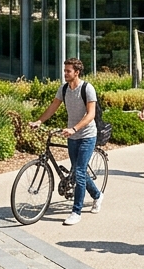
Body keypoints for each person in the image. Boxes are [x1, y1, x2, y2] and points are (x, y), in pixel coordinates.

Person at [30, 58, 103, 226]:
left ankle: (76, 211)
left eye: (68, 71)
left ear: (76, 72)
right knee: (80, 171)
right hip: (73, 137)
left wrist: (75, 129)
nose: (65, 73)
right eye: (65, 70)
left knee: (78, 171)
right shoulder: (63, 89)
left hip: (87, 135)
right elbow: (52, 107)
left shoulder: (87, 88)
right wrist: (39, 121)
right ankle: (98, 195)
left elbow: (91, 114)